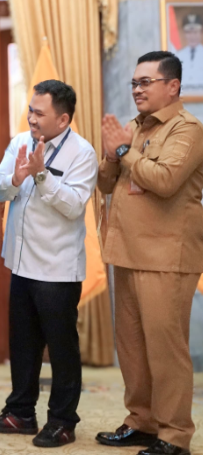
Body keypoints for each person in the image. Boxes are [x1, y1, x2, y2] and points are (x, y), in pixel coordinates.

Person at [96, 51, 203, 455]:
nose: (137, 90)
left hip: (166, 257)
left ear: (173, 86)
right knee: (133, 348)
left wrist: (124, 151)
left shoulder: (187, 129)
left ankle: (174, 435)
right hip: (127, 251)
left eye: (146, 82)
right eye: (134, 83)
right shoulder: (135, 128)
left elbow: (165, 180)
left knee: (166, 350)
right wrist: (112, 154)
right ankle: (141, 421)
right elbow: (106, 185)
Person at [0, 80, 97, 448]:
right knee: (23, 344)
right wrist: (17, 177)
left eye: (39, 113)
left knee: (61, 350)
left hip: (57, 268)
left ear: (62, 119)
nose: (31, 118)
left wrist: (42, 175)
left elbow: (74, 206)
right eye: (31, 110)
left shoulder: (82, 153)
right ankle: (21, 412)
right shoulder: (20, 141)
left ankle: (62, 421)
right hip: (20, 263)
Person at [175, 14, 203, 91]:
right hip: (184, 95)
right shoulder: (178, 55)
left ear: (201, 33)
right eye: (189, 32)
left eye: (195, 32)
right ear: (184, 34)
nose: (192, 36)